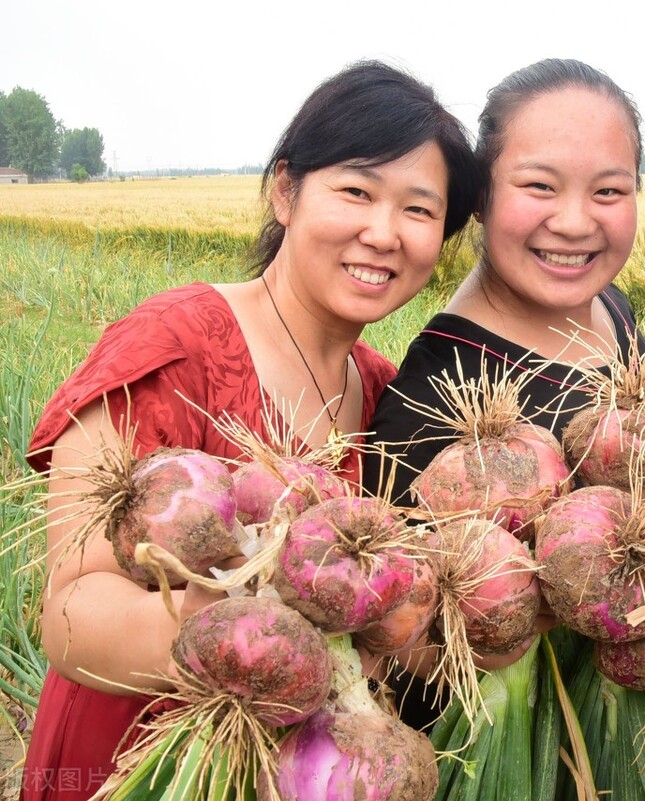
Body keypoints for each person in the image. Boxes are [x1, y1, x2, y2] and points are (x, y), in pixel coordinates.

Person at [20, 61, 482, 801]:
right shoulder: (169, 346)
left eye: (420, 211)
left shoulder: (390, 396)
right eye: (356, 191)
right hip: (132, 767)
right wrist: (259, 631)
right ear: (285, 190)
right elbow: (70, 614)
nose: (383, 232)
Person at [362, 57, 645, 728]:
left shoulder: (612, 309)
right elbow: (408, 647)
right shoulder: (434, 399)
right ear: (482, 196)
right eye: (540, 186)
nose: (575, 223)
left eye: (609, 191)